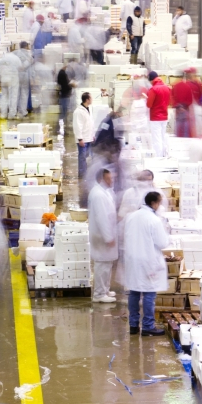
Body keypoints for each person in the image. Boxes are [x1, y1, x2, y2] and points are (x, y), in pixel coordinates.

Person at [124, 191, 170, 336]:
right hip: (148, 260)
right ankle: (148, 326)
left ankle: (133, 325)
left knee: (134, 291)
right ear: (154, 203)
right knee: (149, 293)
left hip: (132, 259)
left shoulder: (131, 216)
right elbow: (162, 243)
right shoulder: (154, 220)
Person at [88, 168, 118, 303]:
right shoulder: (98, 195)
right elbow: (102, 218)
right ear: (101, 179)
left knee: (107, 263)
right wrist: (108, 237)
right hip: (101, 236)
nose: (111, 181)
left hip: (106, 234)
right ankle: (99, 294)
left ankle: (105, 289)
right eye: (108, 179)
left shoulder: (104, 192)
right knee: (102, 264)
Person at [146, 71, 171, 157]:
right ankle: (164, 155)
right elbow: (169, 102)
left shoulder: (153, 89)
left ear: (151, 80)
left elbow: (149, 105)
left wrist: (147, 98)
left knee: (156, 139)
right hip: (164, 116)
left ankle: (159, 157)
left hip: (155, 117)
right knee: (163, 136)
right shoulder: (166, 88)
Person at [72, 92, 94, 178]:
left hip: (89, 137)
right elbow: (77, 126)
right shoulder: (78, 112)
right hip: (83, 139)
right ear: (87, 100)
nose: (92, 100)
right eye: (91, 98)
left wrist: (93, 135)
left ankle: (86, 173)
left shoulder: (89, 109)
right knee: (82, 157)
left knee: (87, 156)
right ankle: (82, 175)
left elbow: (90, 123)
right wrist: (80, 139)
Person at [0, 50, 22, 119]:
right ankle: (12, 115)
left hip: (4, 79)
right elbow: (20, 67)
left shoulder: (3, 57)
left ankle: (3, 114)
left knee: (4, 96)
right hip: (13, 79)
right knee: (13, 97)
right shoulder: (16, 58)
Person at [14, 41, 33, 118]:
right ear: (26, 46)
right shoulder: (29, 54)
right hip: (25, 76)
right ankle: (23, 111)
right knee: (24, 94)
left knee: (16, 93)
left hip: (16, 75)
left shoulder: (15, 53)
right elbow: (30, 63)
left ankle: (15, 111)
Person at [57, 63, 74, 128]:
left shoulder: (61, 73)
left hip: (64, 94)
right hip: (64, 95)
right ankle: (62, 124)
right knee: (64, 111)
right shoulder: (62, 74)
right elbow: (65, 84)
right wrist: (71, 85)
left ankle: (63, 123)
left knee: (64, 110)